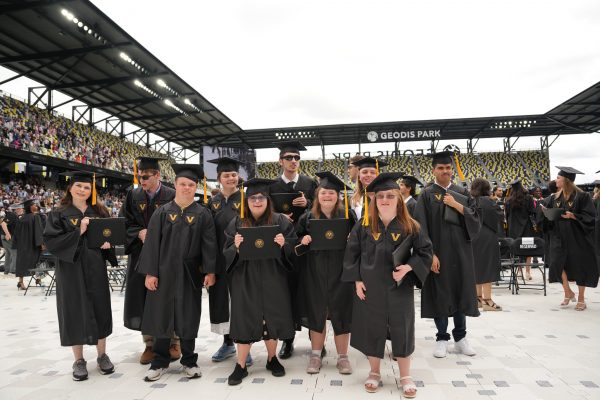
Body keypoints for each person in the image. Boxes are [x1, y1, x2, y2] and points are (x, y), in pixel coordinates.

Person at [343, 172, 432, 396]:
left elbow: (425, 253)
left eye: (390, 196)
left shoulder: (410, 225)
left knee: (402, 329)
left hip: (399, 287)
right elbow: (352, 254)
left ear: (398, 199)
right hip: (370, 288)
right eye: (380, 196)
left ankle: (405, 376)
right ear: (374, 199)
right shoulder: (364, 226)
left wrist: (409, 267)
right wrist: (357, 279)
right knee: (372, 328)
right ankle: (374, 372)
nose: (384, 200)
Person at [137, 164, 217, 381]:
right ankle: (160, 361)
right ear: (175, 184)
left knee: (188, 316)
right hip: (163, 273)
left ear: (196, 187)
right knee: (161, 315)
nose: (187, 188)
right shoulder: (162, 213)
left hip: (190, 274)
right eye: (183, 184)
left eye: (191, 185)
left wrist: (210, 271)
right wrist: (150, 273)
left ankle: (189, 360)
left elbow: (209, 245)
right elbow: (152, 243)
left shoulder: (203, 214)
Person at [223, 178, 297, 385]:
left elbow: (292, 247)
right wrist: (235, 248)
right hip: (244, 278)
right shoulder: (237, 222)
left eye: (261, 197)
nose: (257, 201)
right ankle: (241, 365)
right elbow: (225, 252)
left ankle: (272, 359)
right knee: (244, 316)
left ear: (267, 199)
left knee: (271, 316)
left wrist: (284, 245)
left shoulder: (280, 221)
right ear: (247, 201)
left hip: (273, 276)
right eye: (253, 198)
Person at [43, 171, 115, 381]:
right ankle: (79, 360)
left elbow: (110, 237)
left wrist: (108, 245)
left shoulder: (100, 211)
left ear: (91, 190)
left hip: (95, 266)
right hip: (70, 268)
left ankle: (102, 355)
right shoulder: (58, 212)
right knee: (74, 308)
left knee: (100, 306)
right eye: (79, 186)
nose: (82, 190)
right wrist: (79, 231)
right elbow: (52, 242)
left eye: (86, 187)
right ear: (70, 188)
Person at [414, 151, 481, 359]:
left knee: (460, 292)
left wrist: (457, 205)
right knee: (440, 295)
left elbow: (476, 222)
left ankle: (460, 339)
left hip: (461, 254)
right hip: (438, 255)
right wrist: (430, 254)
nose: (445, 171)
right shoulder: (426, 195)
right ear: (433, 170)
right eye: (441, 168)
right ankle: (442, 338)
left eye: (448, 168)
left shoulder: (462, 193)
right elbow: (420, 227)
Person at [295, 172, 355, 375]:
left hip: (341, 272)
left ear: (338, 196)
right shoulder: (307, 217)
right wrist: (303, 241)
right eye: (323, 193)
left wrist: (351, 240)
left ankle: (343, 357)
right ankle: (315, 355)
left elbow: (359, 243)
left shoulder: (348, 215)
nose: (327, 196)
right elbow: (296, 241)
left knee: (342, 313)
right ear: (317, 196)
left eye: (331, 193)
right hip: (315, 273)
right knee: (317, 312)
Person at [120, 157, 178, 365]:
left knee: (169, 296)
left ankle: (174, 342)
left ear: (157, 175)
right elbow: (123, 223)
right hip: (141, 255)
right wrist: (138, 232)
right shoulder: (132, 195)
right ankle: (149, 344)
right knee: (143, 298)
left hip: (167, 255)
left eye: (145, 177)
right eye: (138, 176)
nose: (141, 180)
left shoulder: (172, 194)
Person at [268, 141, 317, 359]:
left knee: (309, 292)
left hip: (307, 245)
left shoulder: (311, 183)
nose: (293, 161)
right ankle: (287, 340)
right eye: (289, 158)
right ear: (281, 161)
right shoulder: (271, 187)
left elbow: (320, 210)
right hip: (283, 246)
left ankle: (315, 339)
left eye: (296, 158)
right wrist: (279, 218)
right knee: (286, 293)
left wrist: (307, 204)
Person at [206, 157, 253, 366]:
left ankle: (245, 344)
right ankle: (227, 343)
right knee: (222, 302)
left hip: (240, 259)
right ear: (219, 179)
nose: (231, 178)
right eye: (226, 175)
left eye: (234, 175)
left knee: (242, 301)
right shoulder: (212, 203)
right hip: (218, 259)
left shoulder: (246, 200)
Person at [545, 167, 598, 310]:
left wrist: (573, 216)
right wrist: (547, 214)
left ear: (566, 180)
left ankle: (581, 298)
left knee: (580, 266)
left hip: (577, 236)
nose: (556, 180)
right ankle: (568, 291)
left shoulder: (582, 196)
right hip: (559, 235)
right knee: (556, 263)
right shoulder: (554, 197)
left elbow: (590, 217)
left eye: (558, 177)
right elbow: (550, 215)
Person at [470, 178, 503, 311]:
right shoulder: (489, 201)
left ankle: (477, 299)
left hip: (473, 236)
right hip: (487, 236)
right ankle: (488, 301)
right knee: (488, 267)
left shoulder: (470, 201)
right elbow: (498, 218)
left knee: (477, 267)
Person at [505, 179, 537, 280]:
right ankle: (527, 272)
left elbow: (507, 214)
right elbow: (532, 212)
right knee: (528, 248)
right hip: (526, 226)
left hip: (513, 227)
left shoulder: (509, 200)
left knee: (517, 248)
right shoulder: (528, 198)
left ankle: (519, 272)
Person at [12, 199, 44, 289]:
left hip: (22, 245)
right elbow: (38, 232)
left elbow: (16, 233)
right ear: (30, 207)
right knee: (37, 261)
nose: (36, 206)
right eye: (34, 205)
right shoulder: (35, 217)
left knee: (22, 263)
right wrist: (41, 244)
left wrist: (16, 244)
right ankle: (38, 279)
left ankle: (20, 282)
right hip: (32, 245)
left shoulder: (21, 218)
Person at [1, 203, 21, 276]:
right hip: (8, 237)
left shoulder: (12, 215)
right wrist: (7, 234)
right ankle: (13, 270)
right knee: (14, 252)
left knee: (8, 253)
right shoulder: (12, 215)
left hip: (5, 236)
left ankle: (7, 270)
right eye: (20, 208)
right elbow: (3, 224)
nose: (21, 210)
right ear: (17, 209)